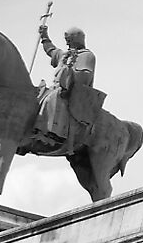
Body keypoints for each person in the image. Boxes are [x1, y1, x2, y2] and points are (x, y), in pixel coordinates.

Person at [34, 23, 101, 151]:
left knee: (53, 98)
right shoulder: (65, 55)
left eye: (69, 40)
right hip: (57, 88)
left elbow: (85, 76)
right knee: (39, 94)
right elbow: (52, 50)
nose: (67, 44)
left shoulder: (87, 55)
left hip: (72, 94)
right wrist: (44, 36)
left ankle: (53, 134)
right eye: (66, 41)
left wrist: (70, 70)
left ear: (77, 39)